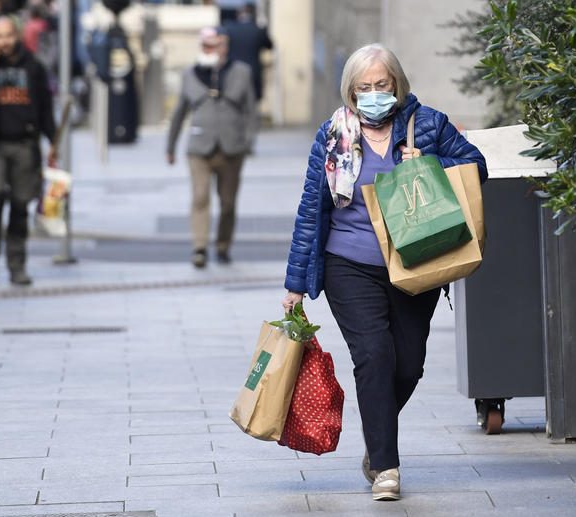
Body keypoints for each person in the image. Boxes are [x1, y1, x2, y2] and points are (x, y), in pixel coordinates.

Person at [281, 43, 487, 502]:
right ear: (351, 91)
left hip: (417, 263)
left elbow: (478, 165)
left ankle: (377, 433)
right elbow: (311, 209)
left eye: (382, 85)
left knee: (407, 366)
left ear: (397, 84)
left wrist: (433, 164)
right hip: (348, 265)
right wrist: (295, 284)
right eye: (364, 87)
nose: (374, 94)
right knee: (373, 356)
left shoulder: (428, 123)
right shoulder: (333, 134)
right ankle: (386, 466)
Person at [0, 15, 56, 286]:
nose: (3, 42)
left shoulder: (33, 67)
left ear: (17, 36)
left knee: (20, 206)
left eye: (8, 36)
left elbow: (45, 109)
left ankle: (17, 264)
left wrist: (53, 142)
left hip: (24, 144)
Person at [166, 27, 256, 268]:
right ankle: (200, 247)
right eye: (203, 46)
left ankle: (223, 246)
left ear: (223, 47)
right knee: (200, 196)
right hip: (199, 147)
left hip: (231, 148)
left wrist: (249, 142)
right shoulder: (191, 74)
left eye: (211, 45)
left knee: (227, 203)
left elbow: (250, 110)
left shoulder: (241, 72)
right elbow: (179, 112)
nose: (206, 50)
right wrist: (170, 146)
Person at [222, 2, 273, 102]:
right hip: (253, 73)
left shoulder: (229, 28)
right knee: (252, 105)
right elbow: (270, 45)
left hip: (233, 72)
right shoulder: (258, 30)